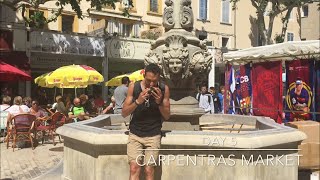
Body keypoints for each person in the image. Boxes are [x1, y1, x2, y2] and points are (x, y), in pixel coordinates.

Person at [122, 63, 170, 180]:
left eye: (155, 81)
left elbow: (167, 115)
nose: (152, 84)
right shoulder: (134, 87)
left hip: (153, 135)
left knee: (149, 170)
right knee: (134, 168)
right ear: (144, 75)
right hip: (135, 134)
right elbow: (124, 113)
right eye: (149, 80)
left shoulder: (164, 89)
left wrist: (159, 103)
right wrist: (138, 101)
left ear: (159, 77)